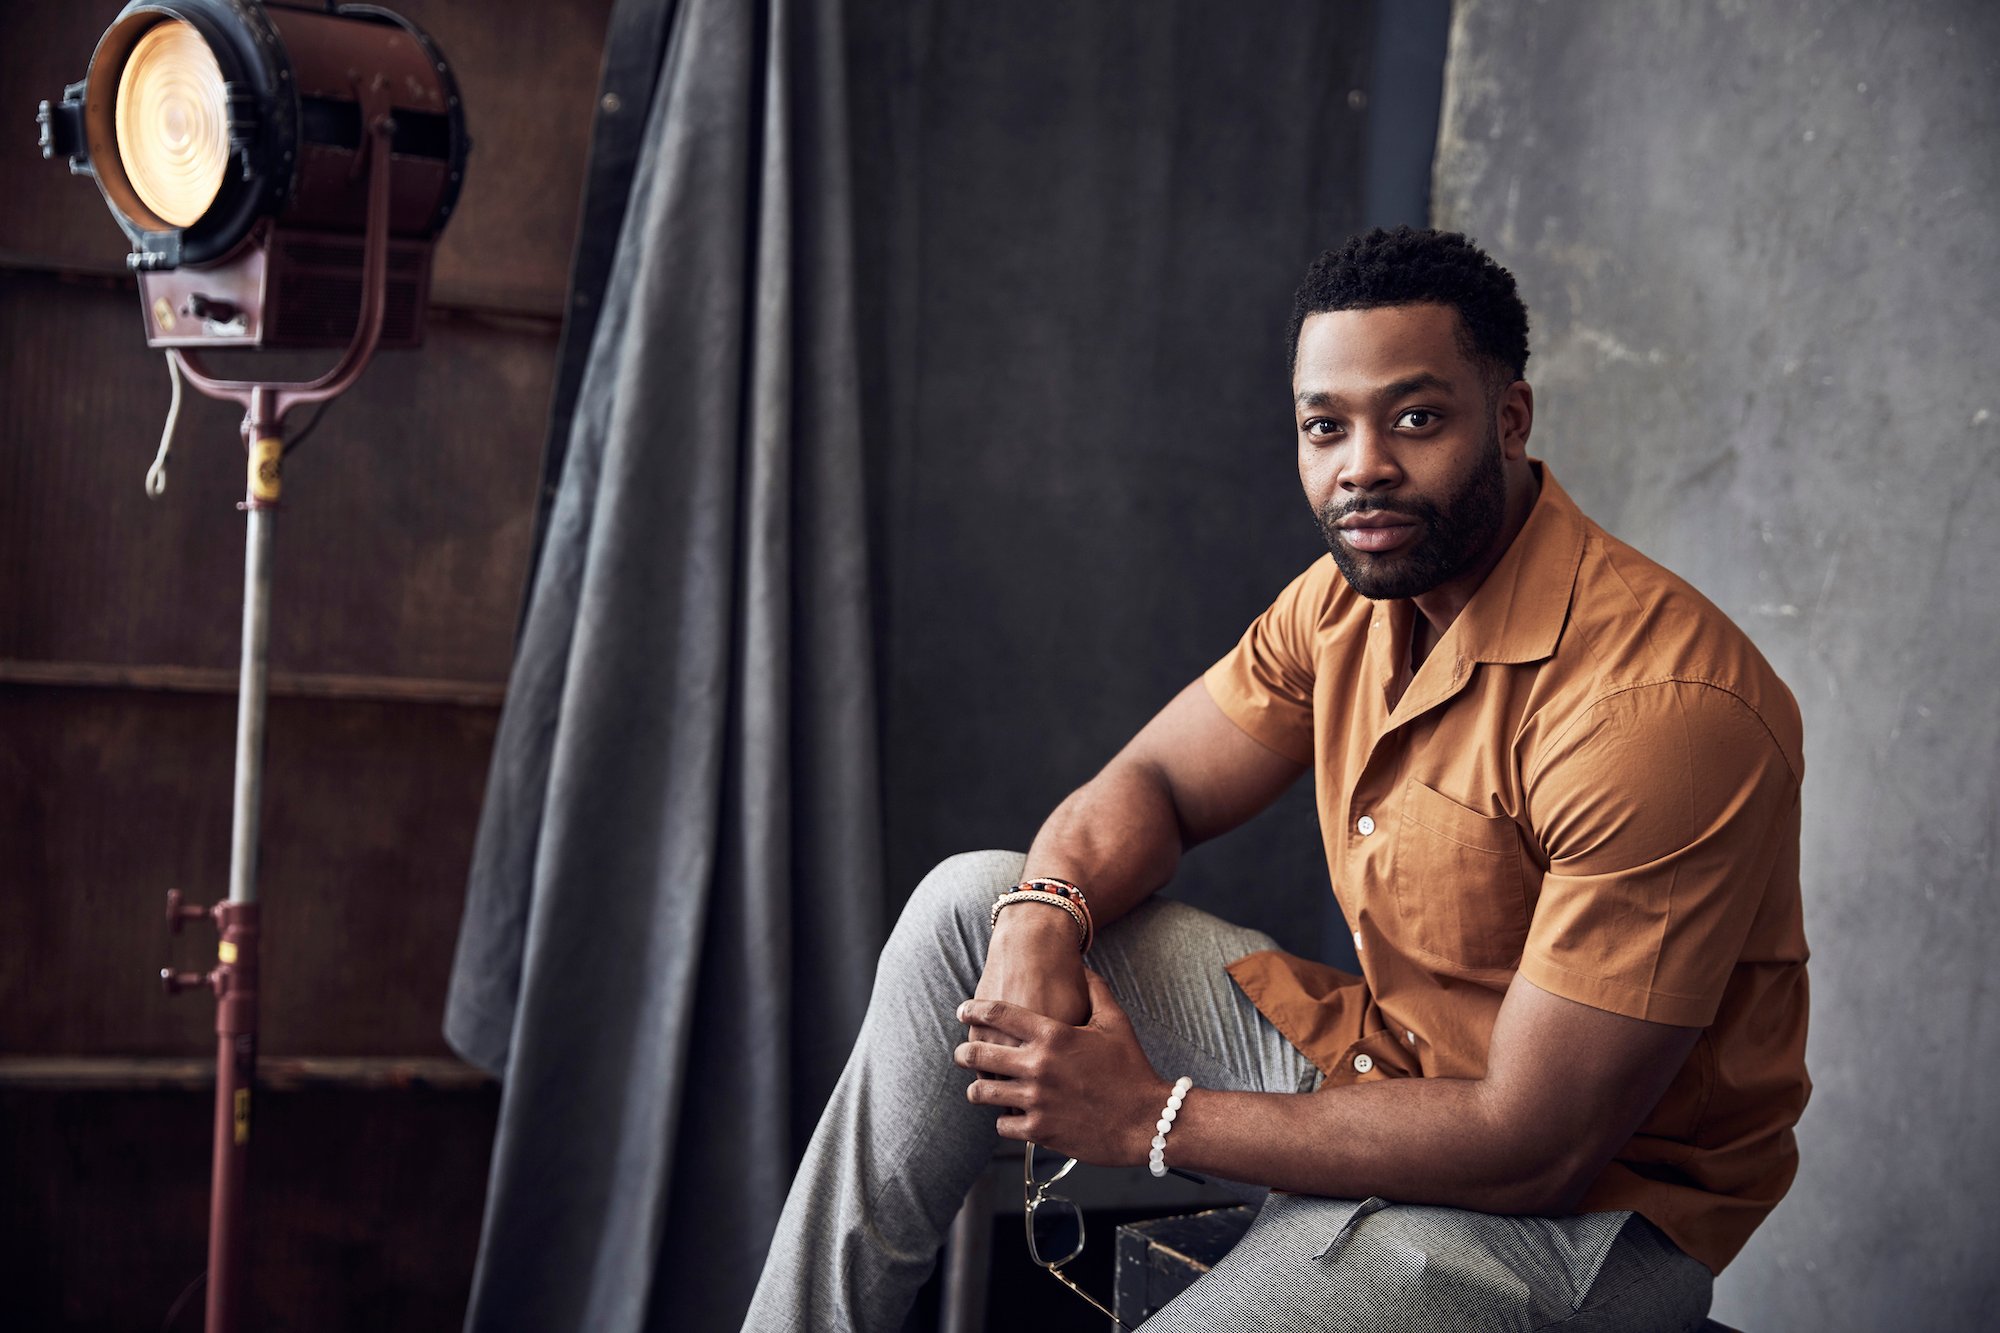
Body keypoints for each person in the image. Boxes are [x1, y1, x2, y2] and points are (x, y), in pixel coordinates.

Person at [742, 227, 1809, 1331]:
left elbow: (1532, 1145)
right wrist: (1040, 913)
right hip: (1382, 1067)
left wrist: (1150, 1120)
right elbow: (1154, 776)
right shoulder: (1348, 603)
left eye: (1414, 418)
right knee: (972, 900)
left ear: (1508, 419)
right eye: (1322, 427)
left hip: (1578, 1214)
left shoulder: (1659, 712)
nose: (1361, 465)